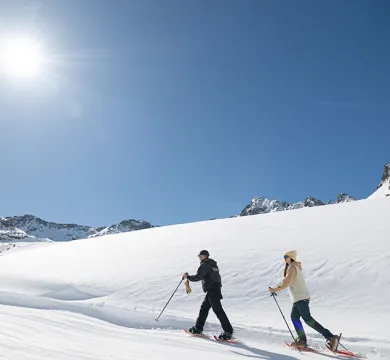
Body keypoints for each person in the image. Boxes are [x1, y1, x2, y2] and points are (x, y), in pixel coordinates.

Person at [268, 250, 340, 350]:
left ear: (291, 257)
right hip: (299, 298)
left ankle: (330, 337)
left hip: (300, 297)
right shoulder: (295, 267)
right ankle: (302, 341)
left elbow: (287, 282)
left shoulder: (292, 268)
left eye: (286, 257)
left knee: (307, 319)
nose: (284, 259)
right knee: (294, 317)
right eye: (284, 257)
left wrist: (274, 289)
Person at [183, 250, 234, 340]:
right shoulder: (213, 264)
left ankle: (228, 332)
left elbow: (199, 276)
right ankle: (198, 328)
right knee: (204, 309)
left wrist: (188, 277)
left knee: (218, 310)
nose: (199, 257)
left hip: (212, 290)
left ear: (204, 256)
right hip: (214, 289)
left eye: (200, 256)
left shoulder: (205, 265)